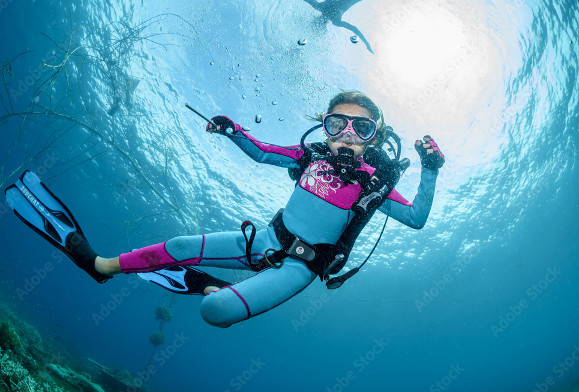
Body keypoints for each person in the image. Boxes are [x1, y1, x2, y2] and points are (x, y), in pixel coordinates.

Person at [4, 91, 444, 328]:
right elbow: (261, 151)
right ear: (324, 129)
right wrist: (231, 129)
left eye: (360, 127)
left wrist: (430, 170)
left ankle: (208, 287)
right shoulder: (308, 157)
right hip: (266, 239)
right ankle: (101, 265)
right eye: (336, 124)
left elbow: (417, 219)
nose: (346, 134)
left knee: (214, 313)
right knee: (179, 243)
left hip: (300, 269)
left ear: (373, 136)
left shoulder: (374, 185)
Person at [303, 0, 375, 53]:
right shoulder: (321, 8)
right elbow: (354, 29)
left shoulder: (335, 20)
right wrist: (366, 44)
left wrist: (367, 44)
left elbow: (354, 29)